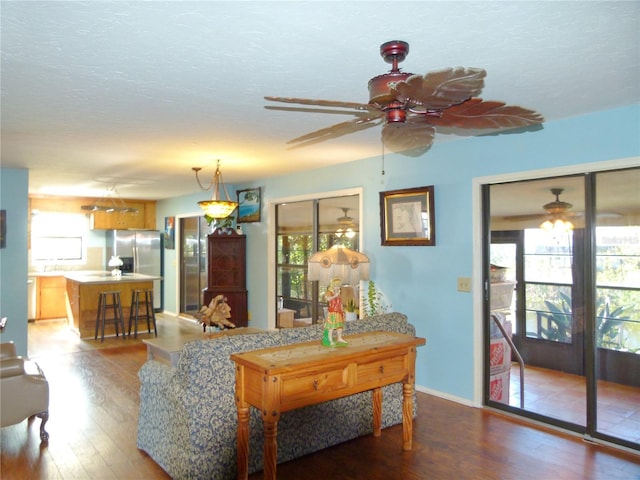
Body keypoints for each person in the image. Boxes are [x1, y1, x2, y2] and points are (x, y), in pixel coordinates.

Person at [322, 277, 348, 347]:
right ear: (332, 285)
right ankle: (330, 340)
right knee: (331, 327)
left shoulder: (338, 293)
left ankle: (339, 338)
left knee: (339, 326)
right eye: (336, 285)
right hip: (332, 312)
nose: (338, 287)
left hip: (339, 312)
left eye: (339, 286)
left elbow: (340, 303)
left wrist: (343, 312)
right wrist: (335, 295)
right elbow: (328, 299)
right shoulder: (329, 292)